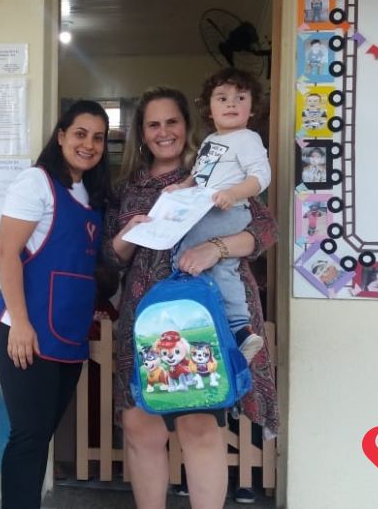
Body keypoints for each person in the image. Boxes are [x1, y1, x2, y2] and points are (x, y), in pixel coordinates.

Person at [104, 86, 278, 507]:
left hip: (199, 316)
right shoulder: (128, 188)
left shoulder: (220, 171)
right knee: (141, 427)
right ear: (142, 132)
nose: (164, 132)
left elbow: (263, 231)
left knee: (199, 428)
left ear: (187, 125)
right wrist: (127, 235)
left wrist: (214, 248)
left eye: (172, 122)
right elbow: (110, 259)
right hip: (143, 318)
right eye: (153, 124)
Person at [0, 100, 111, 509]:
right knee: (29, 437)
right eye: (80, 134)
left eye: (98, 138)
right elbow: (7, 252)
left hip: (69, 334)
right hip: (29, 333)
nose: (88, 144)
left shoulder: (91, 194)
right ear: (61, 136)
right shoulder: (35, 183)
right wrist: (21, 325)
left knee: (41, 435)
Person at [166, 68, 271, 365]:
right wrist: (183, 187)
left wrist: (234, 194)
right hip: (206, 209)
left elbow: (261, 177)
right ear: (208, 108)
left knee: (206, 261)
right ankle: (226, 328)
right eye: (222, 98)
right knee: (210, 264)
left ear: (252, 108)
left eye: (240, 98)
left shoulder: (247, 138)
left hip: (228, 211)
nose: (231, 104)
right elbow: (200, 174)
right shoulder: (211, 140)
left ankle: (237, 326)